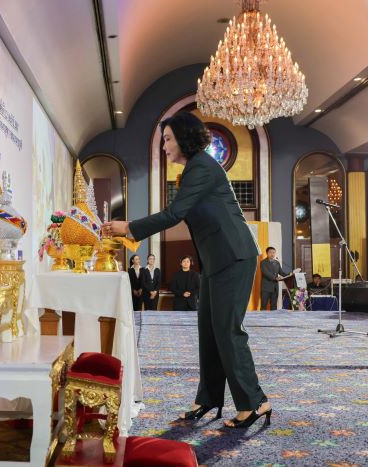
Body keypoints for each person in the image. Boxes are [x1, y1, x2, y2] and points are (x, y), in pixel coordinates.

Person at [102, 111, 270, 429]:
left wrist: (128, 227)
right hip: (216, 260)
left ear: (184, 138)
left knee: (227, 331)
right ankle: (208, 399)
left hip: (234, 256)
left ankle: (255, 402)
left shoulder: (202, 166)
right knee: (209, 331)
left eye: (168, 139)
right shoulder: (196, 168)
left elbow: (174, 213)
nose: (164, 145)